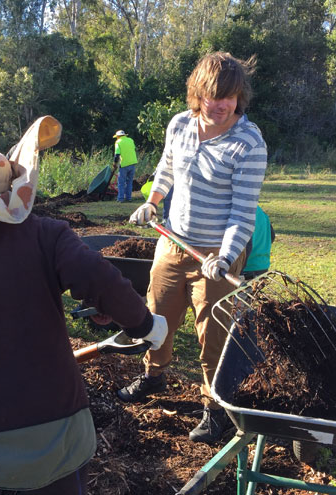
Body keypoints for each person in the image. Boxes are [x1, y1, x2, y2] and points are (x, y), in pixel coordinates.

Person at [0, 116, 168, 494]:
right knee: (63, 480)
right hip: (54, 424)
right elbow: (101, 280)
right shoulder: (48, 236)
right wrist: (143, 325)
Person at [119, 51, 268, 444]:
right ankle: (153, 376)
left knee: (213, 333)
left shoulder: (249, 144)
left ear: (239, 97)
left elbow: (243, 212)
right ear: (197, 93)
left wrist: (226, 254)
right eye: (212, 96)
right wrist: (152, 201)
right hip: (172, 241)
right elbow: (165, 171)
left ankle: (215, 407)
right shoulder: (180, 125)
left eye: (229, 97)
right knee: (156, 317)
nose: (220, 105)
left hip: (218, 254)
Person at [241, 205, 275, 280]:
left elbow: (246, 245)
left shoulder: (239, 212)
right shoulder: (260, 211)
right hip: (263, 267)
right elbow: (272, 237)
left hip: (246, 271)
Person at [112, 130, 138, 202]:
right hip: (133, 163)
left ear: (118, 136)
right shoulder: (130, 140)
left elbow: (117, 154)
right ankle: (128, 198)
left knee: (121, 182)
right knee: (129, 182)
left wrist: (115, 163)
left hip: (124, 164)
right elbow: (132, 149)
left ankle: (120, 198)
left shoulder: (118, 142)